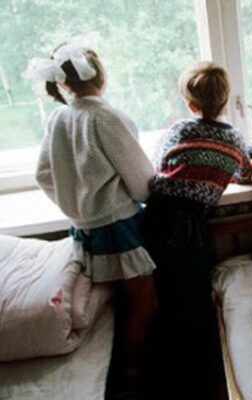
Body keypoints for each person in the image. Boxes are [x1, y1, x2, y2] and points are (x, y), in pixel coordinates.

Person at [28, 39, 158, 391]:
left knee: (107, 306)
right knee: (145, 303)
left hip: (84, 230)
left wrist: (74, 205)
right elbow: (139, 176)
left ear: (63, 84)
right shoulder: (106, 117)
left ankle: (115, 371)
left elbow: (42, 174)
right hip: (119, 226)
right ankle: (130, 372)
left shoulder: (59, 118)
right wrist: (146, 197)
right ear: (102, 77)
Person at [142, 61, 251, 396]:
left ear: (190, 104)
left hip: (156, 216)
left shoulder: (177, 130)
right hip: (189, 223)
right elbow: (244, 172)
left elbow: (158, 165)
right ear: (226, 101)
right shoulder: (234, 138)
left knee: (164, 296)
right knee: (193, 297)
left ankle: (170, 378)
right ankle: (199, 379)